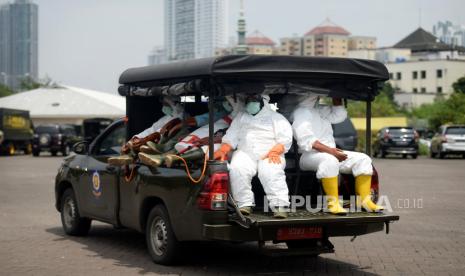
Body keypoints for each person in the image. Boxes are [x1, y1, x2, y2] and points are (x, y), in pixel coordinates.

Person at [292, 93, 383, 215]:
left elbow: (338, 116)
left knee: (363, 159)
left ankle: (364, 201)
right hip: (309, 156)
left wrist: (337, 95)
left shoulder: (319, 109)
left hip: (330, 153)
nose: (318, 95)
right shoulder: (300, 113)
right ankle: (333, 204)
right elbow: (307, 142)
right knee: (329, 161)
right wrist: (332, 152)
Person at [214, 94, 292, 219]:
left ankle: (280, 206)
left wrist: (275, 151)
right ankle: (244, 204)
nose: (251, 103)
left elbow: (285, 139)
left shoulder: (276, 118)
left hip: (270, 153)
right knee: (237, 168)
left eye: (254, 101)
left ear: (262, 102)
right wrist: (223, 150)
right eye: (249, 100)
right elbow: (231, 137)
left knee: (270, 171)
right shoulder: (241, 117)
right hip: (245, 152)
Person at [138, 96, 244, 168]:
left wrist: (211, 140)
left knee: (206, 147)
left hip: (237, 150)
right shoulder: (231, 115)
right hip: (219, 135)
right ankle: (164, 155)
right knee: (190, 139)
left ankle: (174, 158)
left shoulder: (243, 117)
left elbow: (231, 136)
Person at [108, 96, 184, 166]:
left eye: (165, 104)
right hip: (156, 142)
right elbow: (152, 129)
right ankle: (129, 156)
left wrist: (145, 140)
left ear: (174, 104)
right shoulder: (167, 117)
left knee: (148, 145)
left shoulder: (182, 117)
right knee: (140, 144)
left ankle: (155, 157)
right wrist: (134, 139)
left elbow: (162, 132)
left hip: (167, 146)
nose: (163, 106)